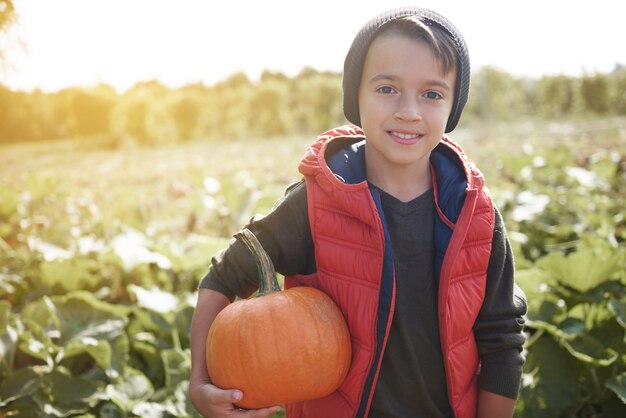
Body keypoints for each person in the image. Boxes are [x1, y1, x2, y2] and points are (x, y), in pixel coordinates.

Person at [189, 6, 527, 418]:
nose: (409, 110)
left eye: (432, 94)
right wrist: (201, 383)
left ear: (453, 107)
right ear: (356, 96)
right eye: (386, 89)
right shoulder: (314, 204)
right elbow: (223, 275)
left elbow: (502, 340)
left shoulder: (476, 216)